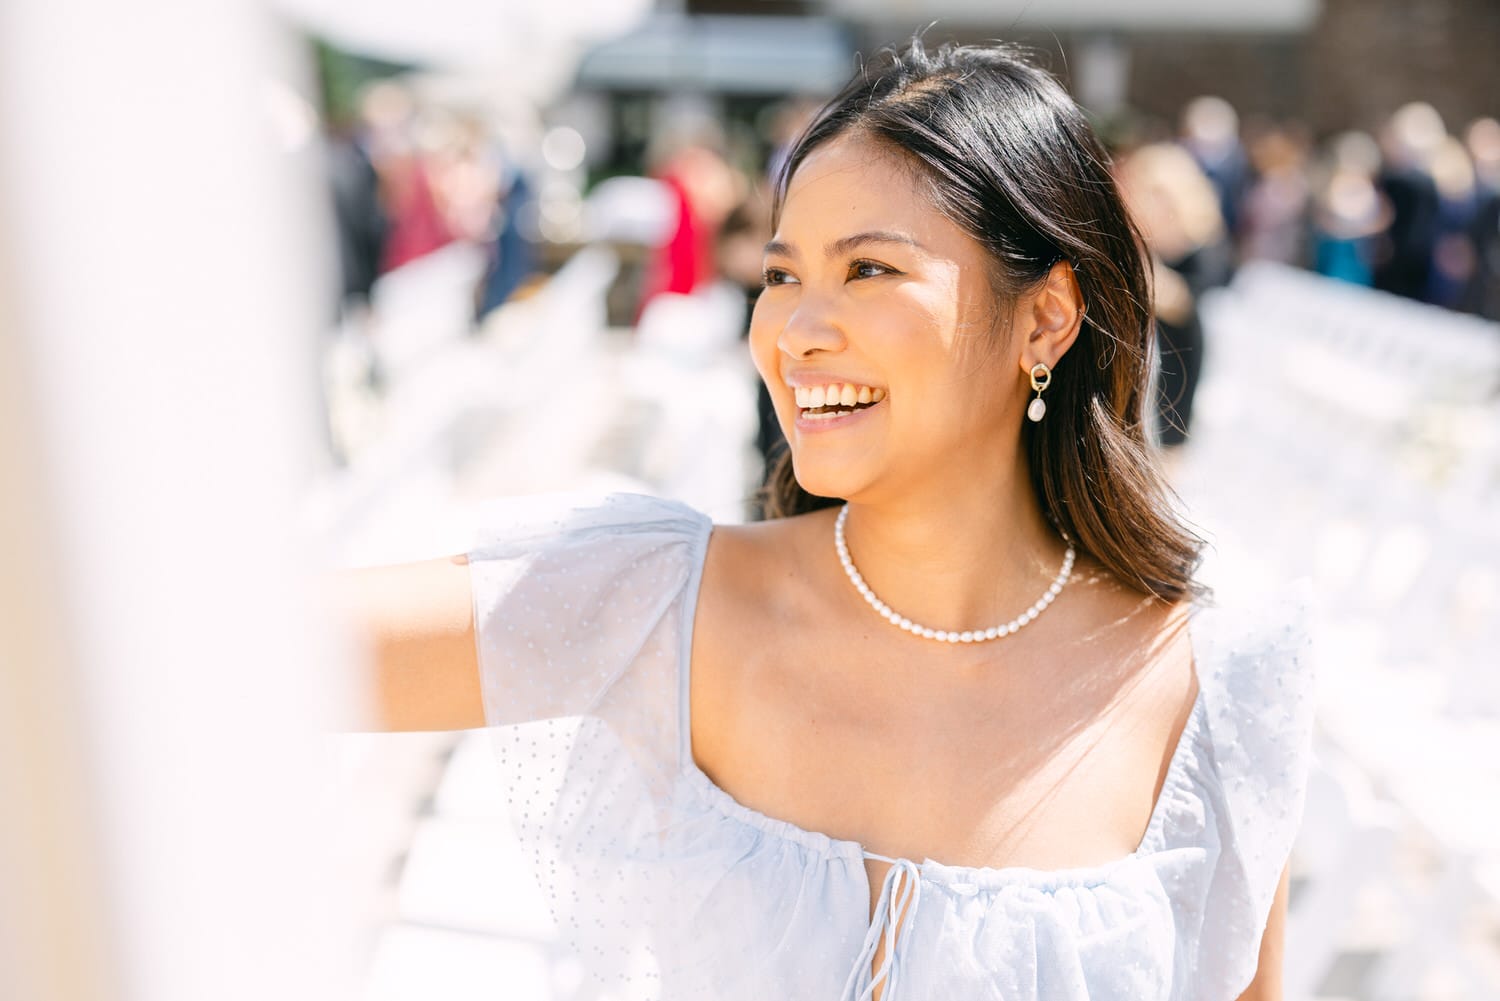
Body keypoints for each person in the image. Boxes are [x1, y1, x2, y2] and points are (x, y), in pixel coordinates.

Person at [343, 38, 1314, 1001]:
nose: (796, 330)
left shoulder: (1219, 679)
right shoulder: (664, 603)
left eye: (869, 271)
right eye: (780, 276)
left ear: (1046, 319)